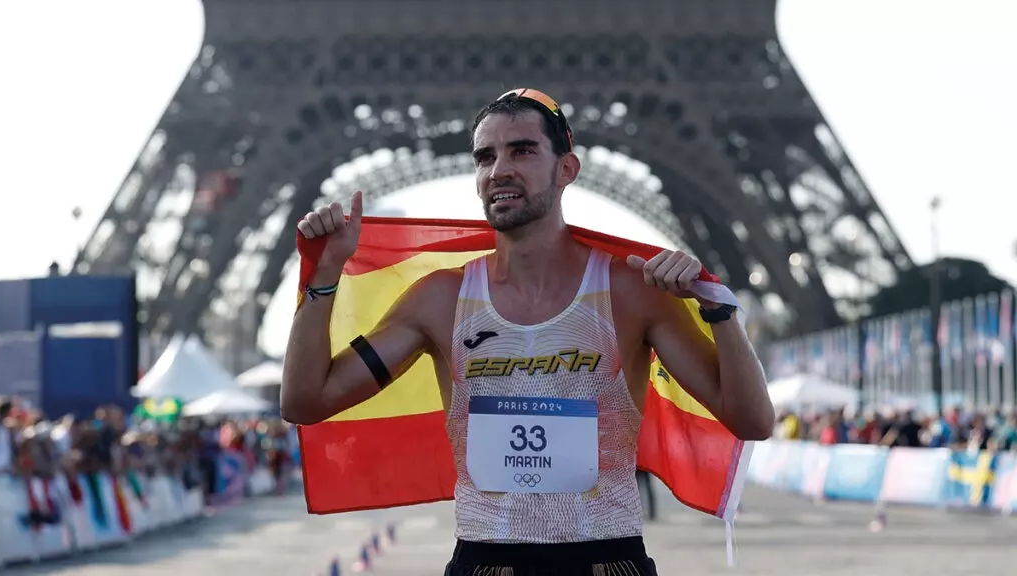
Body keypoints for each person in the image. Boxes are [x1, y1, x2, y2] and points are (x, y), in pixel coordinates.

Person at [282, 88, 774, 575]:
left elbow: (752, 422)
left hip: (606, 557)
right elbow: (305, 402)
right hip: (486, 560)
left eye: (522, 150)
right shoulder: (440, 299)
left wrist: (720, 311)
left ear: (567, 169)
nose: (499, 170)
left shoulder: (631, 290)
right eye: (485, 157)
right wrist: (323, 277)